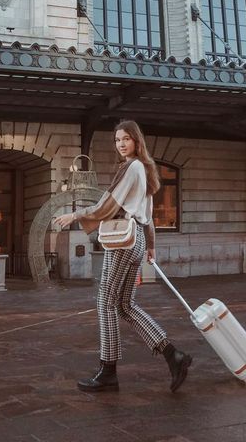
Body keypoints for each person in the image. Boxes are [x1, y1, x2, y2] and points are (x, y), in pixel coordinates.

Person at [55, 119, 192, 393]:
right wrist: (150, 246)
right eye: (117, 140)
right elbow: (149, 216)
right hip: (136, 239)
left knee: (105, 302)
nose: (121, 144)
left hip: (122, 240)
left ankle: (108, 371)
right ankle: (173, 355)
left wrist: (76, 214)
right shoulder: (146, 171)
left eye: (126, 139)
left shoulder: (132, 168)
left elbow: (108, 204)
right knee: (125, 306)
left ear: (136, 141)